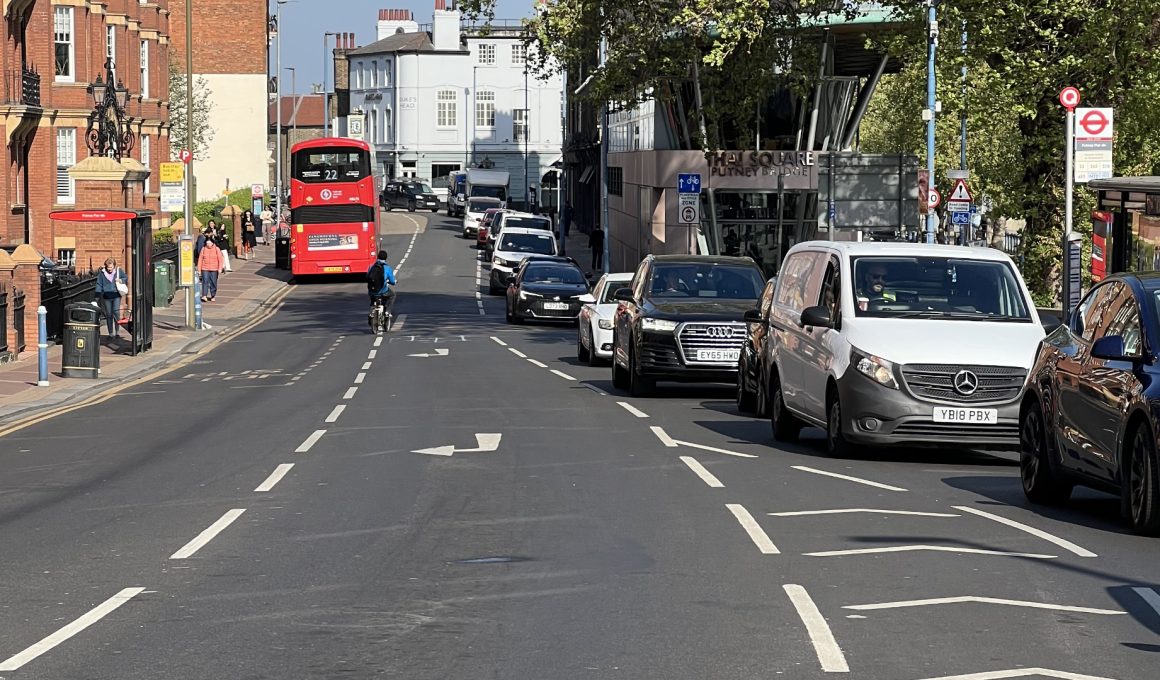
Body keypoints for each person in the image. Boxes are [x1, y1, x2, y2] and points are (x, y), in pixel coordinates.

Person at [94, 257, 128, 338]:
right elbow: (99, 284)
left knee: (116, 313)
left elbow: (125, 278)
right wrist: (97, 295)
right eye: (108, 267)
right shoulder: (102, 273)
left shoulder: (119, 271)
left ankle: (117, 332)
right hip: (107, 296)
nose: (109, 269)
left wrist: (120, 280)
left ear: (114, 266)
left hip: (116, 295)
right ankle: (110, 333)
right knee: (109, 314)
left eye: (111, 267)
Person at [366, 249, 398, 319]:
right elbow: (392, 281)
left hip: (371, 291)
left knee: (373, 299)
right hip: (383, 291)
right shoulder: (387, 268)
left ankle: (371, 310)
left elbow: (367, 276)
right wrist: (394, 282)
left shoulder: (371, 266)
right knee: (392, 295)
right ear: (386, 258)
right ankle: (387, 312)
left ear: (378, 257)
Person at [198, 233, 224, 301]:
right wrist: (199, 270)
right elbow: (200, 259)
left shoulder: (216, 249)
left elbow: (220, 259)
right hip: (205, 268)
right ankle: (204, 295)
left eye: (209, 243)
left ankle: (213, 295)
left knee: (213, 282)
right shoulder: (203, 249)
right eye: (207, 243)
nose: (208, 244)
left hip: (214, 269)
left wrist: (220, 268)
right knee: (205, 281)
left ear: (212, 243)